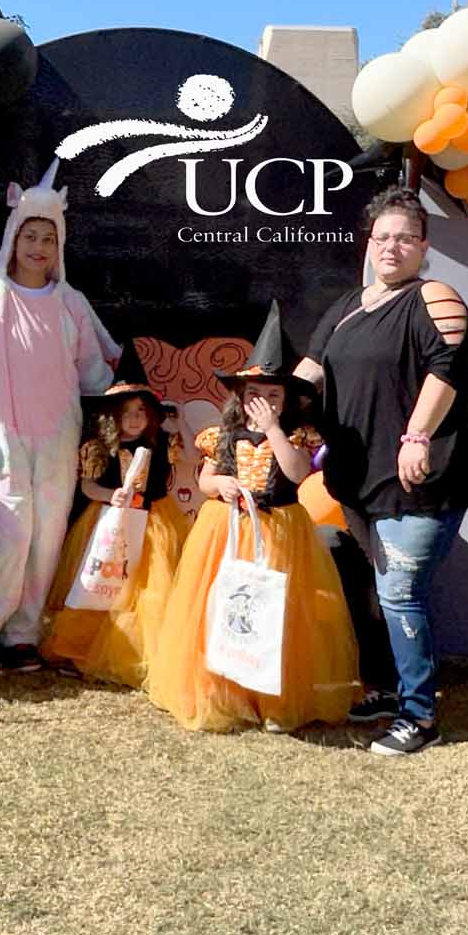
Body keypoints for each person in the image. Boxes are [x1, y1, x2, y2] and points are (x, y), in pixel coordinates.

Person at [296, 187, 468, 757]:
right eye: (382, 237)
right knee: (373, 589)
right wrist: (264, 409)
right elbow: (310, 372)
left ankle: (419, 717)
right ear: (368, 243)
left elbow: (446, 369)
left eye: (405, 238)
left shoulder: (436, 298)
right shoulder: (349, 306)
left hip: (420, 477)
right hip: (357, 480)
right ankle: (386, 689)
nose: (391, 247)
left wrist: (416, 435)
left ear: (424, 247)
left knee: (400, 592)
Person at [144, 303, 360, 732]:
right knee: (224, 604)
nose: (261, 403)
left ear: (287, 400)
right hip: (227, 529)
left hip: (278, 530)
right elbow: (205, 478)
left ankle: (274, 696)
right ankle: (225, 688)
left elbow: (297, 474)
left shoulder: (295, 435)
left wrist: (275, 430)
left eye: (273, 395)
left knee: (273, 607)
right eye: (254, 394)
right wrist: (218, 485)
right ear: (240, 397)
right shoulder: (222, 435)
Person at [0, 163, 119, 671]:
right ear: (13, 239)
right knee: (9, 537)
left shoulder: (70, 304)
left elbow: (92, 372)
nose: (39, 247)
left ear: (60, 246)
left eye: (49, 238)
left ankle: (22, 633)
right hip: (1, 440)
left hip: (58, 439)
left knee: (45, 540)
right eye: (31, 236)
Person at [40, 343, 190, 686]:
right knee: (100, 583)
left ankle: (140, 654)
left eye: (141, 411)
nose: (135, 419)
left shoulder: (161, 444)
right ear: (112, 415)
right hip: (110, 522)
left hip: (152, 521)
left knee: (147, 585)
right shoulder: (99, 448)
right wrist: (111, 495)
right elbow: (88, 487)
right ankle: (80, 647)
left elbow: (189, 459)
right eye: (126, 412)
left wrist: (178, 423)